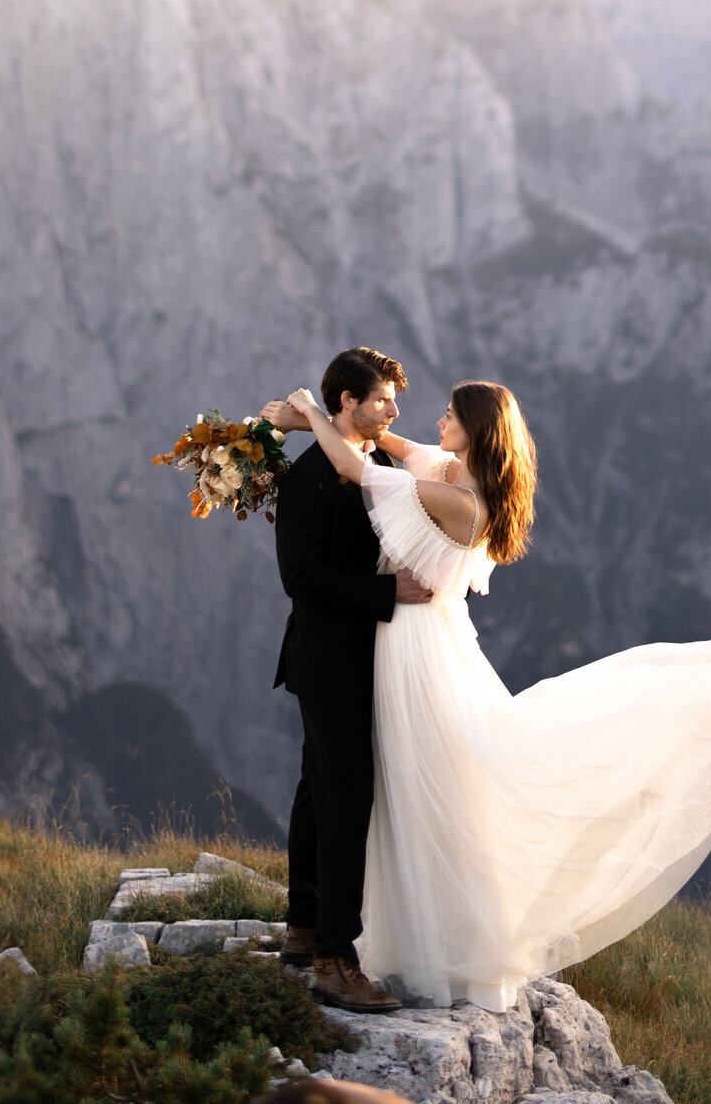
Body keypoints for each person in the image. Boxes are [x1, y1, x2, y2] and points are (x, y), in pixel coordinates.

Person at [265, 368, 711, 1015]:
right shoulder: (449, 468)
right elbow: (389, 446)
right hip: (409, 638)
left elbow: (360, 469)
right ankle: (334, 928)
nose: (434, 421)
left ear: (476, 428)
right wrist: (327, 422)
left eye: (450, 413)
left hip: (418, 649)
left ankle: (413, 939)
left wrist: (307, 413)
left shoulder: (462, 501)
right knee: (369, 784)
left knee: (422, 785)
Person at [269, 346, 432, 1012]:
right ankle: (336, 958)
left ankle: (305, 926)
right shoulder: (307, 478)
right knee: (344, 802)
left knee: (318, 792)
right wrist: (386, 592)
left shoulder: (377, 463)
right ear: (348, 402)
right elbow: (300, 579)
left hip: (357, 659)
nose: (394, 408)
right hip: (329, 661)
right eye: (382, 398)